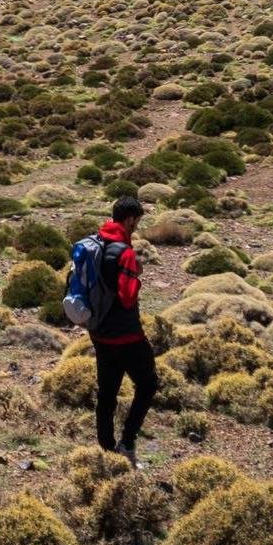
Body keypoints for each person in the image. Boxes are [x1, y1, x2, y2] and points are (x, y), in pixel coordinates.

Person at [91, 195, 157, 468]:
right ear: (129, 219)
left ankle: (107, 451)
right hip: (126, 335)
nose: (136, 227)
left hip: (99, 332)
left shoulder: (97, 242)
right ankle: (127, 443)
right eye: (137, 221)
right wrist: (135, 275)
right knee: (148, 383)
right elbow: (127, 297)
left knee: (107, 392)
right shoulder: (124, 252)